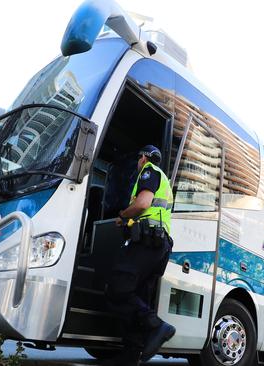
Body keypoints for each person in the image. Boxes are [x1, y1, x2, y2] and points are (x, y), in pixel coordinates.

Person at [105, 145, 176, 365]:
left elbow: (143, 203)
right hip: (158, 244)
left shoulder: (149, 170)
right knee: (140, 296)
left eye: (139, 158)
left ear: (143, 157)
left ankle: (157, 326)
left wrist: (124, 215)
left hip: (147, 241)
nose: (138, 162)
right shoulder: (162, 178)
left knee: (118, 286)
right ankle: (130, 356)